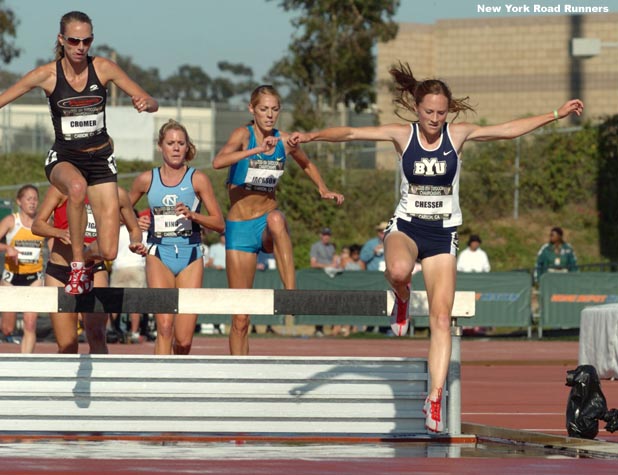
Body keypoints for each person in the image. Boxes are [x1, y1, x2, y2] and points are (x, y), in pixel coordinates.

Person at [288, 61, 584, 433]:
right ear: (417, 109)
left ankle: (435, 396)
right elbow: (350, 132)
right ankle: (401, 296)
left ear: (450, 112)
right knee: (396, 270)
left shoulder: (457, 136)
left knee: (441, 319)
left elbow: (507, 131)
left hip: (443, 234)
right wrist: (312, 136)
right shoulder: (402, 135)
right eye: (428, 112)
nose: (434, 119)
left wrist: (556, 114)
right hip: (407, 226)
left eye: (441, 113)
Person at [0, 11, 158, 296]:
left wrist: (146, 103)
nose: (80, 47)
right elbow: (5, 98)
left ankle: (84, 258)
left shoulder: (103, 68)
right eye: (74, 40)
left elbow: (152, 100)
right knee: (75, 186)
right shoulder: (47, 74)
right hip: (64, 157)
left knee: (108, 249)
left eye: (87, 41)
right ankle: (75, 264)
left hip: (100, 160)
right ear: (62, 39)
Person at [212, 85, 343, 355]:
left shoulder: (284, 140)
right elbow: (218, 162)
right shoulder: (242, 134)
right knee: (240, 318)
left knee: (276, 218)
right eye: (263, 109)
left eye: (274, 110)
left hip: (267, 226)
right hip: (240, 229)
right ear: (252, 109)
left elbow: (305, 163)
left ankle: (290, 295)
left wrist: (322, 188)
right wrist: (255, 150)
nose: (269, 115)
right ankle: (240, 373)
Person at [130, 119, 224, 355]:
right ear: (160, 146)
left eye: (180, 143)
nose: (175, 148)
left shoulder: (197, 179)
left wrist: (194, 216)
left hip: (190, 255)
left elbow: (219, 223)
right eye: (170, 143)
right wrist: (134, 222)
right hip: (158, 253)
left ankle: (178, 383)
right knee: (164, 327)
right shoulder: (146, 179)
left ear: (187, 147)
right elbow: (120, 209)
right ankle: (160, 385)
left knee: (183, 340)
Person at [32, 185, 146, 354]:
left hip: (93, 269)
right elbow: (37, 225)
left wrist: (135, 241)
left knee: (97, 335)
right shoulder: (62, 189)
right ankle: (67, 379)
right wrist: (59, 232)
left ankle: (100, 379)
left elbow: (134, 227)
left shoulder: (116, 193)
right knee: (67, 344)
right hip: (60, 271)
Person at [0, 185, 45, 352]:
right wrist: (7, 248)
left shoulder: (42, 222)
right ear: (19, 201)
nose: (33, 203)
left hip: (34, 277)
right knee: (7, 328)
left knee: (30, 323)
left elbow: (55, 245)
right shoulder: (12, 220)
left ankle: (27, 361)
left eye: (35, 199)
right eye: (29, 199)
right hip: (11, 277)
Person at [109, 208, 148, 344]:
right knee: (135, 303)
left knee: (113, 302)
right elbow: (146, 249)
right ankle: (134, 332)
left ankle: (110, 329)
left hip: (119, 266)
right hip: (136, 266)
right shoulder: (141, 231)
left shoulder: (117, 230)